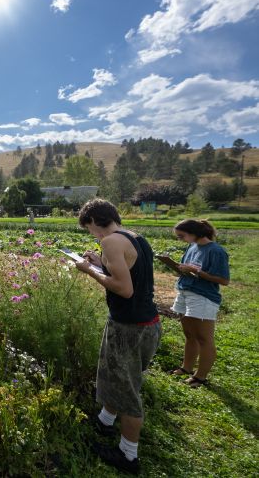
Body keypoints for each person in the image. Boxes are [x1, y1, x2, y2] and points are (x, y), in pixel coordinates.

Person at [74, 199, 161, 475]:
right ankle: (105, 420)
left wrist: (90, 271)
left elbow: (124, 289)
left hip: (129, 327)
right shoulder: (136, 238)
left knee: (127, 388)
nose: (92, 235)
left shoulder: (110, 241)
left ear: (94, 221)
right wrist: (102, 264)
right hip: (148, 323)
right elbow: (131, 273)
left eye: (89, 228)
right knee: (118, 376)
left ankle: (128, 455)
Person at [169, 219, 230, 388]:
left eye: (182, 236)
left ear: (194, 232)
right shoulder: (192, 246)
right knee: (189, 335)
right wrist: (180, 268)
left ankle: (200, 377)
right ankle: (187, 368)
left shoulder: (216, 251)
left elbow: (224, 280)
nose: (180, 240)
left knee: (204, 338)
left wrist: (196, 271)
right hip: (185, 291)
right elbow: (189, 267)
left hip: (203, 296)